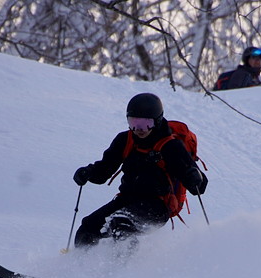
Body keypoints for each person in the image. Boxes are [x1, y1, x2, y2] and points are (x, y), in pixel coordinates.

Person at [72, 93, 208, 248]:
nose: (139, 129)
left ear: (156, 121)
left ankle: (126, 269)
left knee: (121, 225)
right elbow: (103, 172)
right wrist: (88, 173)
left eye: (145, 123)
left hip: (158, 205)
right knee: (88, 228)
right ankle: (80, 266)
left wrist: (194, 177)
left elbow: (199, 187)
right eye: (133, 122)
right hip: (126, 200)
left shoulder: (171, 146)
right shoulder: (125, 140)